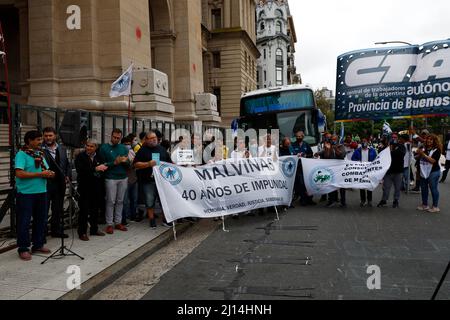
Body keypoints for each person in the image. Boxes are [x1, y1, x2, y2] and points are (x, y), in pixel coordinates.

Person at [15, 131, 55, 261]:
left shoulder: (40, 154)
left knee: (41, 220)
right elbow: (19, 174)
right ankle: (23, 248)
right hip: (26, 194)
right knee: (24, 222)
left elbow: (44, 170)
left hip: (41, 192)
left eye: (40, 139)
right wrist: (40, 175)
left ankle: (38, 245)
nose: (40, 142)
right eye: (38, 139)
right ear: (29, 141)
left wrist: (50, 174)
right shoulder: (21, 154)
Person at [134, 131, 173, 229]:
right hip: (148, 181)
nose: (154, 139)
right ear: (146, 140)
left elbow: (170, 163)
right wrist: (148, 164)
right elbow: (135, 164)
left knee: (164, 201)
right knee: (149, 201)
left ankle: (166, 220)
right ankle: (152, 220)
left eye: (154, 137)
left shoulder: (162, 149)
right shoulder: (142, 150)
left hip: (162, 181)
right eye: (151, 138)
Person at [98, 129, 130, 234]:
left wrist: (126, 162)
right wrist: (114, 163)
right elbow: (102, 164)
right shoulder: (104, 148)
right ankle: (109, 224)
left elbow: (129, 165)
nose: (116, 139)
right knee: (111, 201)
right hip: (110, 177)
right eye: (114, 137)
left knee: (120, 201)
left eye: (118, 138)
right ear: (111, 136)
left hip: (123, 177)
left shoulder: (123, 148)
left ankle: (118, 222)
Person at [74, 140, 107, 241]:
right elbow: (81, 170)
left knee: (95, 210)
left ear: (96, 147)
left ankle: (94, 229)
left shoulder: (100, 156)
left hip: (97, 187)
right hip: (84, 188)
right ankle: (82, 232)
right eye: (87, 145)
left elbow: (103, 168)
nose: (88, 148)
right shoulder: (80, 157)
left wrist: (102, 170)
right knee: (84, 211)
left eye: (91, 146)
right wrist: (95, 169)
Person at [42, 127, 71, 239]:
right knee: (44, 210)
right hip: (45, 184)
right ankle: (42, 234)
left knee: (57, 209)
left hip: (60, 185)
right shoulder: (41, 149)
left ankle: (56, 230)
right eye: (46, 136)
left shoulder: (62, 148)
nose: (48, 138)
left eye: (50, 135)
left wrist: (67, 175)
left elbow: (67, 164)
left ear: (55, 136)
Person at [315, 134, 346, 208]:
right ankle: (332, 200)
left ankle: (343, 202)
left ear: (337, 140)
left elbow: (342, 155)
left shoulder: (341, 146)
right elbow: (326, 156)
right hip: (332, 170)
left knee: (341, 185)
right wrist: (328, 149)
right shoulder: (328, 146)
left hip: (340, 168)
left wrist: (335, 148)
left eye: (334, 139)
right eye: (332, 139)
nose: (333, 140)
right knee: (331, 184)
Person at [377, 133, 406, 209]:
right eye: (392, 137)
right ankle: (384, 200)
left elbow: (401, 154)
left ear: (398, 138)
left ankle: (396, 201)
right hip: (388, 171)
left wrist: (390, 151)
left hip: (398, 171)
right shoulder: (386, 147)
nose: (394, 138)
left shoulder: (401, 146)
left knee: (397, 188)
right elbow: (380, 154)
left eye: (395, 137)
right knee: (386, 187)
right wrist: (387, 148)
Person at [417, 134, 442, 213]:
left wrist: (422, 154)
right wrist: (418, 154)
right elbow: (418, 157)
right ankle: (425, 205)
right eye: (428, 139)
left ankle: (435, 207)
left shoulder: (437, 150)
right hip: (423, 171)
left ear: (434, 141)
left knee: (433, 189)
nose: (429, 141)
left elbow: (433, 161)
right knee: (424, 189)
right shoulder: (423, 148)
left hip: (433, 172)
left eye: (431, 140)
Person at [352, 138, 378, 207]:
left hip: (370, 170)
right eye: (363, 141)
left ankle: (370, 200)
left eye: (365, 141)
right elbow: (353, 159)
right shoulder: (357, 151)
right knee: (362, 186)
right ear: (361, 142)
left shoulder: (372, 150)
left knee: (369, 186)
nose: (364, 143)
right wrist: (357, 162)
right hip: (361, 171)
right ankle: (362, 200)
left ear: (368, 142)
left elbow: (376, 159)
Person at [291, 131, 315, 206]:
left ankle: (310, 199)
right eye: (297, 136)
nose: (298, 138)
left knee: (308, 183)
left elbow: (311, 154)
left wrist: (305, 156)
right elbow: (290, 155)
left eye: (300, 136)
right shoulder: (293, 145)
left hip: (306, 167)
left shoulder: (306, 144)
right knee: (301, 184)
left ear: (303, 137)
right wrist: (296, 156)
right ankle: (303, 199)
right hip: (298, 168)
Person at [121, 134, 138, 225]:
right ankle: (124, 219)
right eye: (125, 144)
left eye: (129, 144)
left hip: (134, 179)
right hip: (125, 179)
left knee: (134, 199)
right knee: (125, 201)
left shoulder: (132, 152)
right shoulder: (121, 153)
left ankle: (133, 216)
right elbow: (127, 165)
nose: (127, 146)